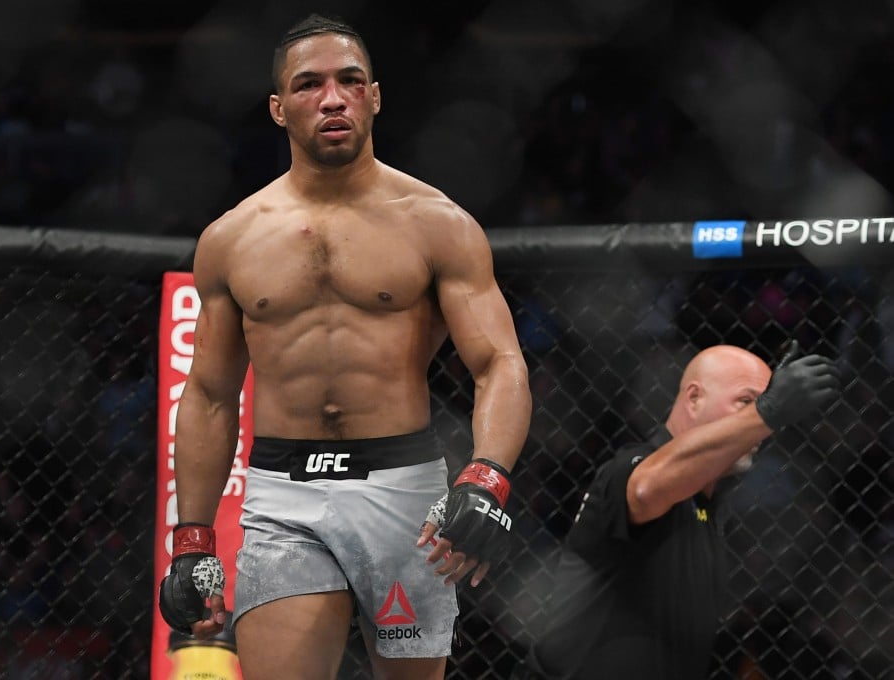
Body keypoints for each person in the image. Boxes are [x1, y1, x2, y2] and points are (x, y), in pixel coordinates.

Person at [158, 12, 532, 680]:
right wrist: (191, 538)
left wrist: (487, 478)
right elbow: (211, 394)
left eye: (349, 81)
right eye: (308, 85)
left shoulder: (439, 225)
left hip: (403, 493)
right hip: (283, 496)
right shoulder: (231, 238)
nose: (331, 98)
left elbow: (498, 361)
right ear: (278, 108)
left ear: (374, 96)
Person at [519, 342, 840, 680]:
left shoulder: (708, 506)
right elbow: (645, 490)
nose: (758, 424)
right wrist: (767, 411)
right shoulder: (630, 465)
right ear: (694, 398)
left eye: (761, 406)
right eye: (745, 402)